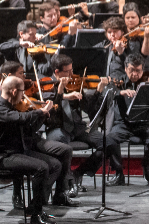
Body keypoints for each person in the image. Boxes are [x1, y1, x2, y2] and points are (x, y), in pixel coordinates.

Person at [0, 76, 77, 224]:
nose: (24, 96)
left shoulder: (12, 107)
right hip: (3, 156)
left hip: (18, 151)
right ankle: (35, 215)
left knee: (55, 165)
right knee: (42, 167)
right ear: (14, 91)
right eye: (22, 92)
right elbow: (21, 118)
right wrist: (39, 112)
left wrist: (42, 117)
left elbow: (28, 130)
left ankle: (36, 207)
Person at [44, 53, 111, 190]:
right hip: (58, 127)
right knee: (60, 143)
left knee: (107, 143)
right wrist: (62, 94)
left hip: (77, 128)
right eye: (67, 72)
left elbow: (90, 109)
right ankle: (67, 183)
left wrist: (98, 91)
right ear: (57, 72)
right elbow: (50, 112)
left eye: (72, 70)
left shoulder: (75, 83)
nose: (71, 74)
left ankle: (78, 173)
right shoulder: (47, 85)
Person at [106, 54, 149, 187]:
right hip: (123, 124)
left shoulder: (147, 83)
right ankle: (119, 173)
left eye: (138, 70)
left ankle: (147, 167)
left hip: (144, 124)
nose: (135, 74)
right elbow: (107, 91)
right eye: (132, 70)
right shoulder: (118, 81)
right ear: (126, 69)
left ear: (143, 70)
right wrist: (120, 92)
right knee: (109, 138)